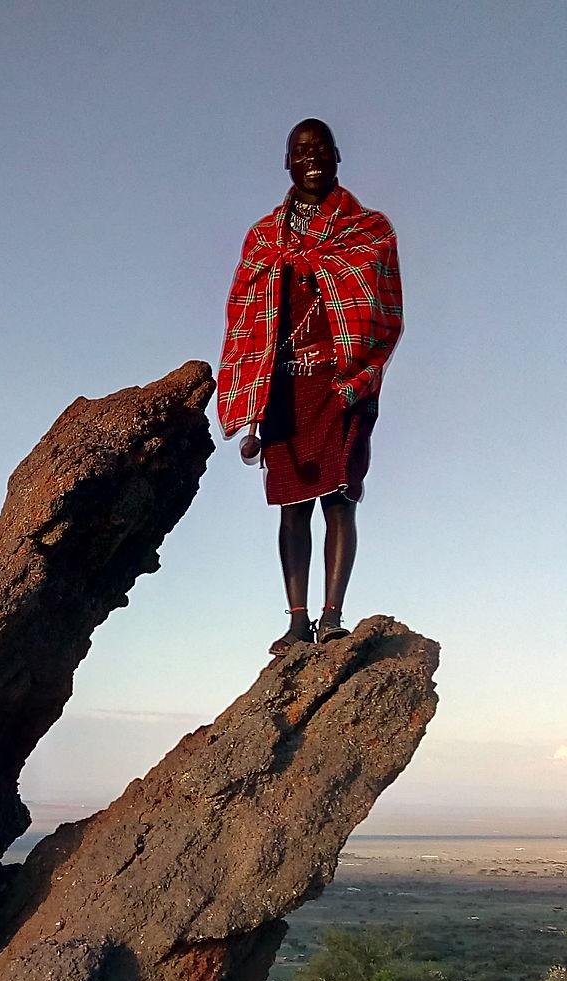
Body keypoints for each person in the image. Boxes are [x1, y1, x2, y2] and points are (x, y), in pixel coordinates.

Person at [217, 119, 403, 652]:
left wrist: (362, 377)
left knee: (340, 498)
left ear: (338, 156)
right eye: (300, 151)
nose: (311, 158)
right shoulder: (263, 237)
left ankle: (333, 617)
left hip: (340, 382)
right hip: (282, 386)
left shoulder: (369, 230)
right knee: (291, 505)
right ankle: (297, 621)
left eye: (320, 149)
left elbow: (386, 316)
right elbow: (245, 315)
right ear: (287, 162)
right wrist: (249, 389)